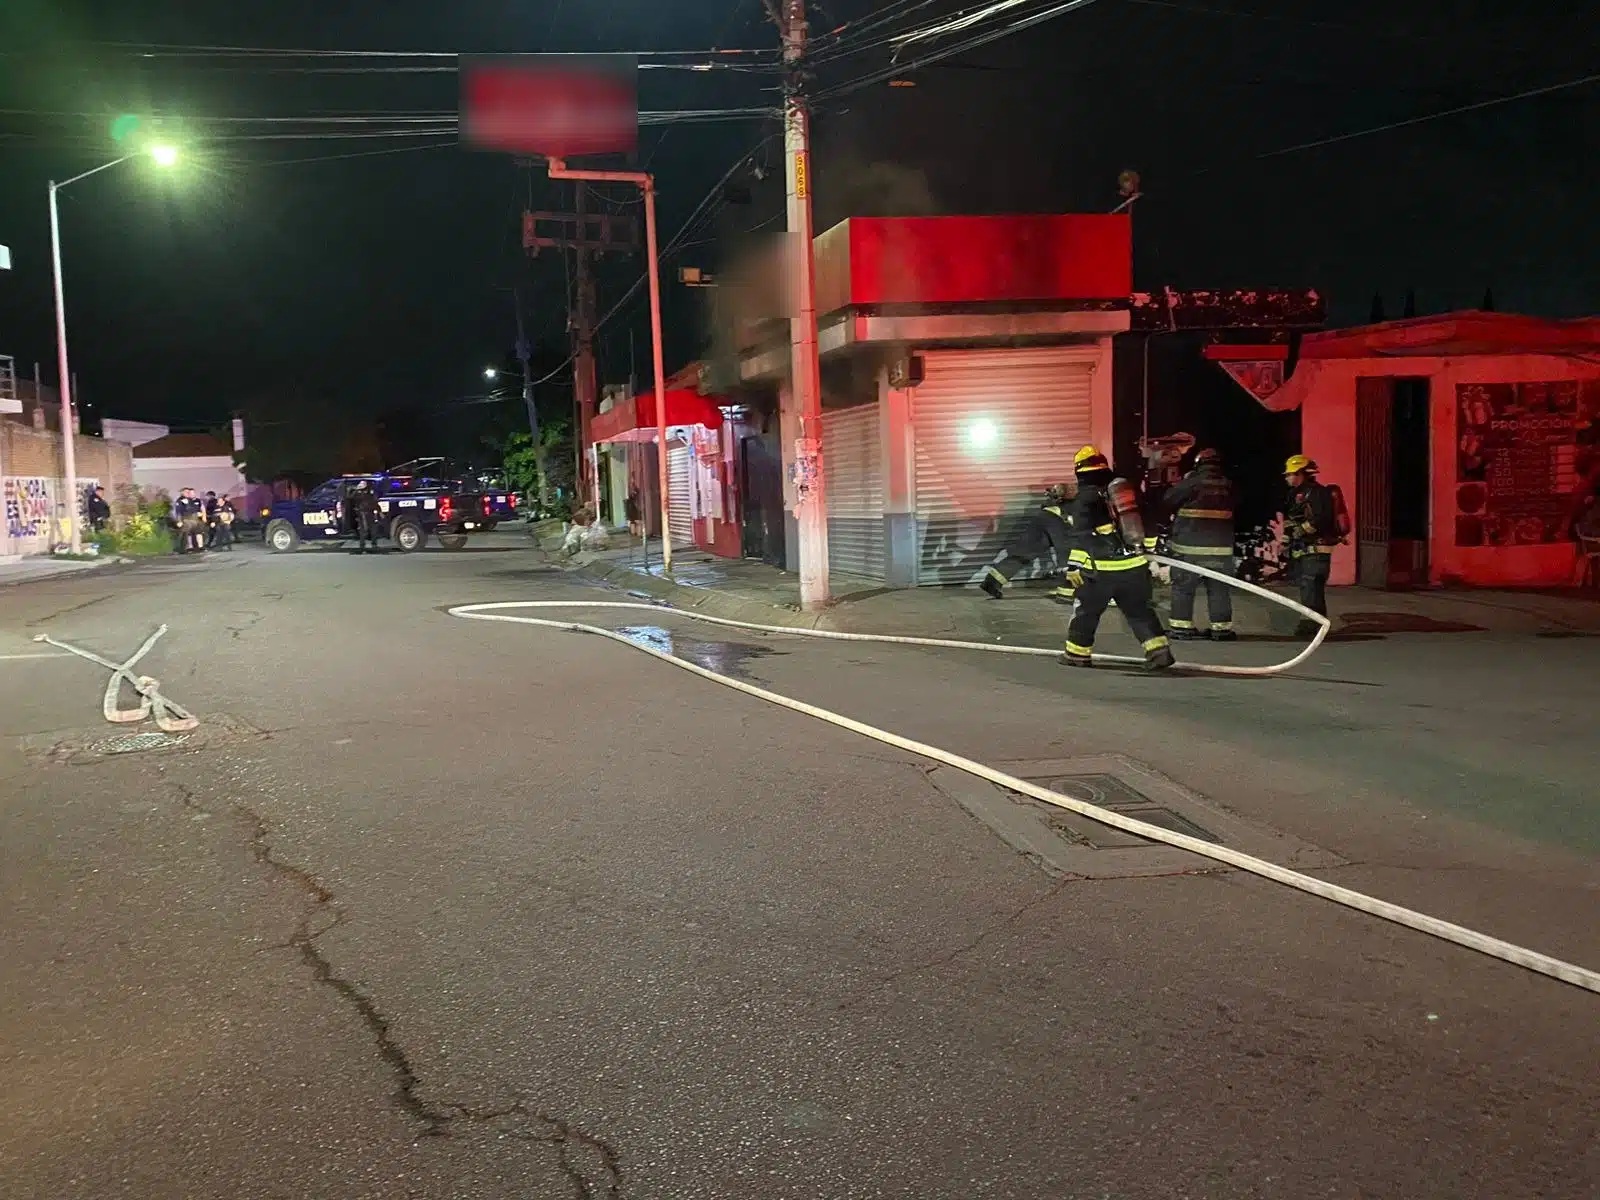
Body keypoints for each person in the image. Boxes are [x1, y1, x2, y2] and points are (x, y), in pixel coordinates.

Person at [1061, 446, 1174, 671]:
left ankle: (1077, 655)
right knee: (1140, 611)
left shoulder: (1085, 498)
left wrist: (1073, 567)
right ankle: (1159, 652)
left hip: (1100, 572)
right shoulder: (1127, 491)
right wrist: (1147, 554)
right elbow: (1149, 523)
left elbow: (1081, 536)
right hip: (1134, 568)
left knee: (1086, 612)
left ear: (1079, 470)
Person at [1162, 448, 1238, 641]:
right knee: (1219, 588)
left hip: (1189, 549)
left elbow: (1168, 500)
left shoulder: (1191, 483)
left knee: (1183, 587)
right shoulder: (1229, 486)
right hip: (1221, 550)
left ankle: (1181, 628)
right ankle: (1221, 630)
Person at [1281, 455, 1349, 636]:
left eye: (1290, 474)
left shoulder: (1318, 493)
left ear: (1301, 473)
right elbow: (1290, 521)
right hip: (1304, 549)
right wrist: (1285, 542)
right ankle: (1317, 624)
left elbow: (1321, 519)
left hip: (1317, 549)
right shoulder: (1293, 495)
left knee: (1311, 584)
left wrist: (1301, 531)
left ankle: (1310, 624)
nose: (1287, 478)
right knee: (1309, 586)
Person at [979, 482, 1077, 603]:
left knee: (1024, 551)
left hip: (1044, 515)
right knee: (1069, 554)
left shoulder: (1071, 490)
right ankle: (1066, 593)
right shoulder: (1087, 492)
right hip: (1060, 519)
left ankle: (992, 581)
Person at [350, 480, 382, 553]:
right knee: (363, 530)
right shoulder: (357, 493)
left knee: (373, 529)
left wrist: (379, 511)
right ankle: (362, 546)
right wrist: (357, 489)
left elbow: (374, 502)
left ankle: (374, 545)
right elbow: (350, 498)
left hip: (370, 513)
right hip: (362, 513)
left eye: (363, 484)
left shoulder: (370, 492)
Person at [172, 487, 206, 553]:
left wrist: (199, 514)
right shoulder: (180, 500)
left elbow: (193, 509)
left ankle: (197, 548)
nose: (188, 493)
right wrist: (179, 521)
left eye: (188, 492)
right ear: (182, 493)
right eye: (186, 492)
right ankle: (182, 549)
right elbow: (178, 511)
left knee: (197, 532)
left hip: (194, 519)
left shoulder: (190, 500)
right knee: (185, 534)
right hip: (186, 520)